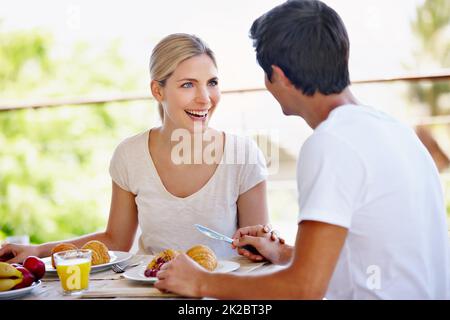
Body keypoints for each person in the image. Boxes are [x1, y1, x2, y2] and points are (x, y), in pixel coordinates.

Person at [153, 0, 450, 299]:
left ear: (278, 76)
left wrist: (201, 281)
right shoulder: (394, 130)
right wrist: (283, 253)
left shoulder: (332, 143)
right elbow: (373, 259)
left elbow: (304, 288)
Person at [0, 33, 270, 262]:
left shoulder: (243, 155)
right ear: (158, 91)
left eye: (212, 83)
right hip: (151, 290)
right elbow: (116, 240)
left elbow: (255, 250)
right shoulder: (130, 155)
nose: (204, 98)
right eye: (188, 84)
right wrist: (38, 251)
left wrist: (263, 245)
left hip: (219, 296)